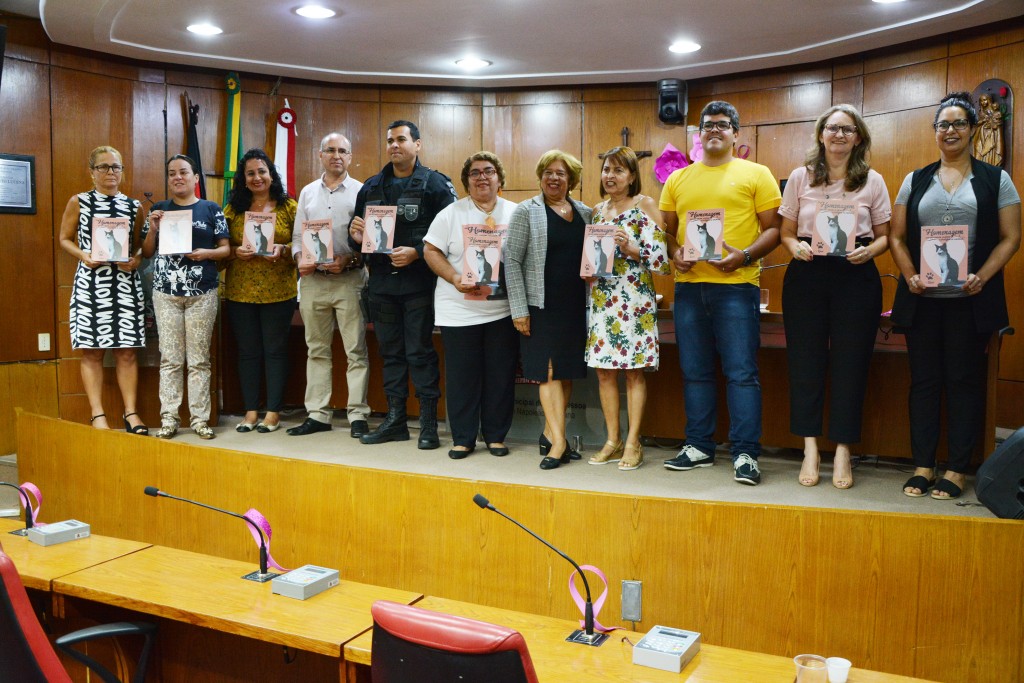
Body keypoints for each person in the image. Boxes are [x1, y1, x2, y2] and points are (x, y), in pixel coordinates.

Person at [890, 92, 1020, 500]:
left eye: (958, 124)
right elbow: (895, 236)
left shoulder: (995, 179)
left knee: (964, 383)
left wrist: (983, 275)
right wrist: (910, 275)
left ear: (972, 129)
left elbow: (1011, 238)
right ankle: (923, 465)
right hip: (923, 302)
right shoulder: (915, 179)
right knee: (924, 383)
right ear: (935, 132)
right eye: (943, 125)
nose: (950, 131)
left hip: (970, 301)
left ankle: (957, 468)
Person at [659, 101, 781, 486]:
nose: (714, 130)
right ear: (698, 134)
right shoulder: (677, 179)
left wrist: (743, 255)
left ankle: (746, 453)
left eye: (723, 125)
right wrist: (676, 253)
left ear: (736, 133)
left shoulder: (757, 173)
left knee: (742, 374)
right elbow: (667, 231)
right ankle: (698, 446)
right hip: (690, 290)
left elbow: (774, 230)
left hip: (736, 287)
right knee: (694, 372)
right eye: (707, 125)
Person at [778, 105, 891, 489]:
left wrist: (870, 252)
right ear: (820, 135)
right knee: (805, 361)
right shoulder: (799, 177)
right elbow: (787, 232)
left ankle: (843, 449)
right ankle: (810, 447)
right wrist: (793, 247)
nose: (839, 135)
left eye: (847, 129)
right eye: (832, 128)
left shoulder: (872, 180)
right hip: (807, 272)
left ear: (858, 137)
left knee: (851, 363)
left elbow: (885, 236)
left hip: (856, 274)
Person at [347, 120, 457, 449]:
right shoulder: (370, 187)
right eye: (390, 140)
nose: (395, 145)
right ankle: (395, 420)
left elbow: (452, 237)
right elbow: (358, 239)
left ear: (417, 145)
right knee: (391, 354)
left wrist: (418, 252)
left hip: (418, 285)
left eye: (402, 139)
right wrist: (354, 237)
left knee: (420, 354)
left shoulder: (436, 184)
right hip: (381, 285)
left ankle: (427, 425)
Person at [423, 152, 519, 459]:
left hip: (501, 311)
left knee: (500, 376)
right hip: (458, 311)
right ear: (466, 181)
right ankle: (463, 438)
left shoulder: (517, 213)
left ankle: (495, 436)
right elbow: (430, 251)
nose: (482, 177)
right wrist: (453, 277)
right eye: (475, 173)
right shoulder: (450, 214)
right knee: (463, 377)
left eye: (488, 171)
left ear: (499, 179)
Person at [506, 150, 593, 470]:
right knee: (548, 373)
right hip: (539, 305)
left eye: (561, 173)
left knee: (566, 372)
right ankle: (559, 443)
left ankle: (549, 432)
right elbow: (511, 260)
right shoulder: (525, 211)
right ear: (540, 177)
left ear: (571, 180)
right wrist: (518, 309)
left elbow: (594, 257)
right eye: (548, 172)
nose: (554, 178)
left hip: (573, 304)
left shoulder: (585, 212)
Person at [585, 147, 670, 472]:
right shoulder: (596, 211)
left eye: (618, 171)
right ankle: (612, 439)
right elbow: (591, 260)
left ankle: (633, 442)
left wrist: (629, 247)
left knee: (633, 372)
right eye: (607, 169)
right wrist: (588, 269)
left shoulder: (644, 205)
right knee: (604, 373)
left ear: (632, 176)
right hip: (603, 301)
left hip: (634, 302)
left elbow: (663, 262)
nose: (610, 176)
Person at [58, 146, 149, 434]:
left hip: (125, 286)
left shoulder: (133, 206)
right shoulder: (79, 201)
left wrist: (135, 260)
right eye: (104, 167)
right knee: (93, 352)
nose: (111, 172)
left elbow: (140, 246)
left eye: (116, 167)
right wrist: (84, 255)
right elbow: (64, 238)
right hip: (91, 284)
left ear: (122, 171)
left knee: (126, 352)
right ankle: (98, 415)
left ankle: (131, 413)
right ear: (92, 172)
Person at [287, 133, 371, 439]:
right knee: (317, 350)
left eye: (343, 151)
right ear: (321, 155)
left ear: (350, 157)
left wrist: (349, 260)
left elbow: (372, 240)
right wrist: (300, 259)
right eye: (331, 150)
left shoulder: (363, 191)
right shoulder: (308, 193)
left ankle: (358, 414)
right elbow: (298, 238)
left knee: (356, 351)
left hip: (349, 280)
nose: (337, 155)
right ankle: (318, 414)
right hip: (313, 283)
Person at [142, 155, 230, 439]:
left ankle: (199, 419)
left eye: (183, 172)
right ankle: (169, 418)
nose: (177, 177)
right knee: (170, 358)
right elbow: (146, 252)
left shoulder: (211, 209)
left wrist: (206, 254)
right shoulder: (159, 209)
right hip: (166, 293)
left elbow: (225, 250)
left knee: (199, 359)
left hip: (202, 292)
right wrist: (153, 228)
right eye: (171, 173)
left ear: (195, 178)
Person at [222, 148, 298, 434]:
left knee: (275, 351)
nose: (257, 177)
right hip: (240, 292)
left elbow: (305, 244)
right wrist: (233, 251)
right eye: (250, 173)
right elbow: (221, 248)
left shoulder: (289, 207)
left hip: (279, 292)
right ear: (243, 178)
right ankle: (251, 410)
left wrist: (284, 249)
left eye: (262, 171)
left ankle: (273, 412)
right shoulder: (233, 210)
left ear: (271, 174)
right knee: (248, 352)